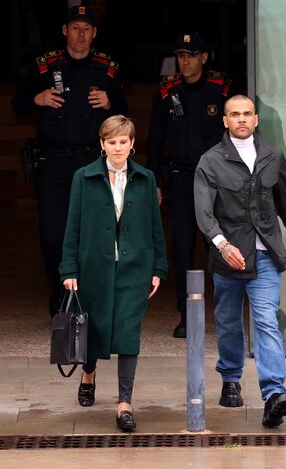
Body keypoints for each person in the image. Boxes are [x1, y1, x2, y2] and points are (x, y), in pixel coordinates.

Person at [12, 5, 128, 317]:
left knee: (92, 232)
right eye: (75, 27)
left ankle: (87, 297)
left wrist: (110, 101)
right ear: (65, 31)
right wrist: (36, 99)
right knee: (53, 234)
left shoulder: (107, 68)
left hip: (91, 162)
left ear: (94, 33)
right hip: (52, 163)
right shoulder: (44, 66)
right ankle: (60, 291)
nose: (80, 34)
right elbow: (17, 103)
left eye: (86, 29)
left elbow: (124, 112)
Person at [194, 95, 286, 428]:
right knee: (228, 321)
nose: (241, 119)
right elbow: (204, 212)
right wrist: (222, 244)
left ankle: (274, 393)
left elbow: (284, 197)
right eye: (234, 114)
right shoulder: (210, 162)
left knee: (266, 319)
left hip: (266, 253)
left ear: (256, 119)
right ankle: (230, 377)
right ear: (225, 121)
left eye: (247, 114)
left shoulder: (272, 156)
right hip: (229, 256)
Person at [59, 115, 168, 432]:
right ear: (102, 144)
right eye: (112, 142)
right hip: (95, 265)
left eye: (123, 142)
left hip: (135, 268)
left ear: (133, 144)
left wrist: (158, 267)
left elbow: (155, 228)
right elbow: (73, 226)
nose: (118, 148)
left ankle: (124, 404)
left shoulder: (146, 179)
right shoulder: (84, 177)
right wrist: (69, 267)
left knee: (128, 332)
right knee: (95, 327)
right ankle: (89, 372)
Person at [146, 33, 232, 338]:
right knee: (182, 247)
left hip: (215, 181)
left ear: (204, 58)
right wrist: (154, 178)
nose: (185, 61)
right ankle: (186, 314)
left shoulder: (220, 87)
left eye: (192, 55)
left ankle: (223, 314)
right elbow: (156, 137)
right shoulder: (168, 89)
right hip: (181, 179)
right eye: (181, 55)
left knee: (217, 245)